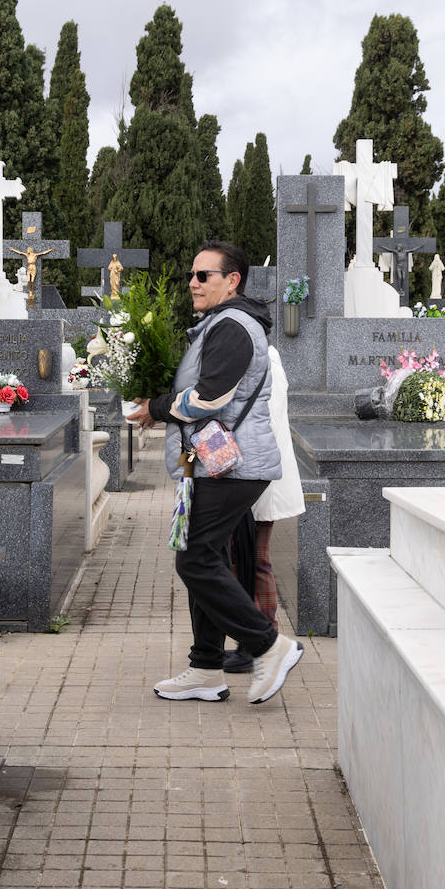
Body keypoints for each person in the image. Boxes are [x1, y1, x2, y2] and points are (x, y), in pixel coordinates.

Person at [126, 241, 302, 705]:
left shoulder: (234, 326)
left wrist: (156, 407)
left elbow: (209, 398)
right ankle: (206, 668)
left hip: (235, 466)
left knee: (196, 560)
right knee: (202, 556)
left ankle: (267, 645)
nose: (193, 282)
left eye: (204, 275)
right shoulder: (218, 325)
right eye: (191, 274)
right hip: (212, 463)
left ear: (233, 280)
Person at [222, 345, 303, 673]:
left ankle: (265, 642)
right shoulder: (260, 358)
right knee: (247, 559)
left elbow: (257, 421)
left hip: (258, 474)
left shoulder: (261, 361)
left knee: (255, 560)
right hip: (256, 473)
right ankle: (258, 640)